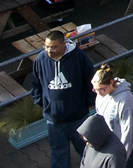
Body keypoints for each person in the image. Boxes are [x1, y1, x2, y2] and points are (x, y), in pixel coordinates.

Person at [33, 29, 96, 168]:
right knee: (58, 153)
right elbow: (36, 83)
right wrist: (39, 101)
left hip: (78, 117)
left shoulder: (78, 56)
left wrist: (91, 101)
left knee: (86, 151)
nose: (50, 50)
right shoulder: (41, 59)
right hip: (54, 119)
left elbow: (91, 79)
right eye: (47, 47)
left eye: (54, 47)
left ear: (64, 44)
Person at [92, 64, 133, 168]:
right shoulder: (101, 95)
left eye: (101, 89)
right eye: (95, 90)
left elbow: (129, 132)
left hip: (126, 146)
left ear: (111, 83)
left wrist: (122, 156)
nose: (98, 93)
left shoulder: (125, 101)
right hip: (112, 143)